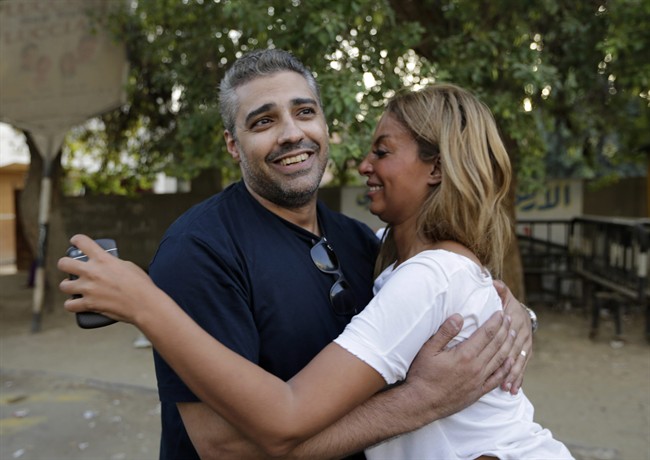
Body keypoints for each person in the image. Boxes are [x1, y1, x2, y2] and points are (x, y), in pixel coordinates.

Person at [59, 49, 535, 459]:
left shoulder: (360, 241)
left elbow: (438, 289)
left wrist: (513, 313)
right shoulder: (199, 251)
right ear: (233, 144)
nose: (291, 133)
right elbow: (224, 446)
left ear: (324, 125)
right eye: (264, 121)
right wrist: (422, 401)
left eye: (304, 112)